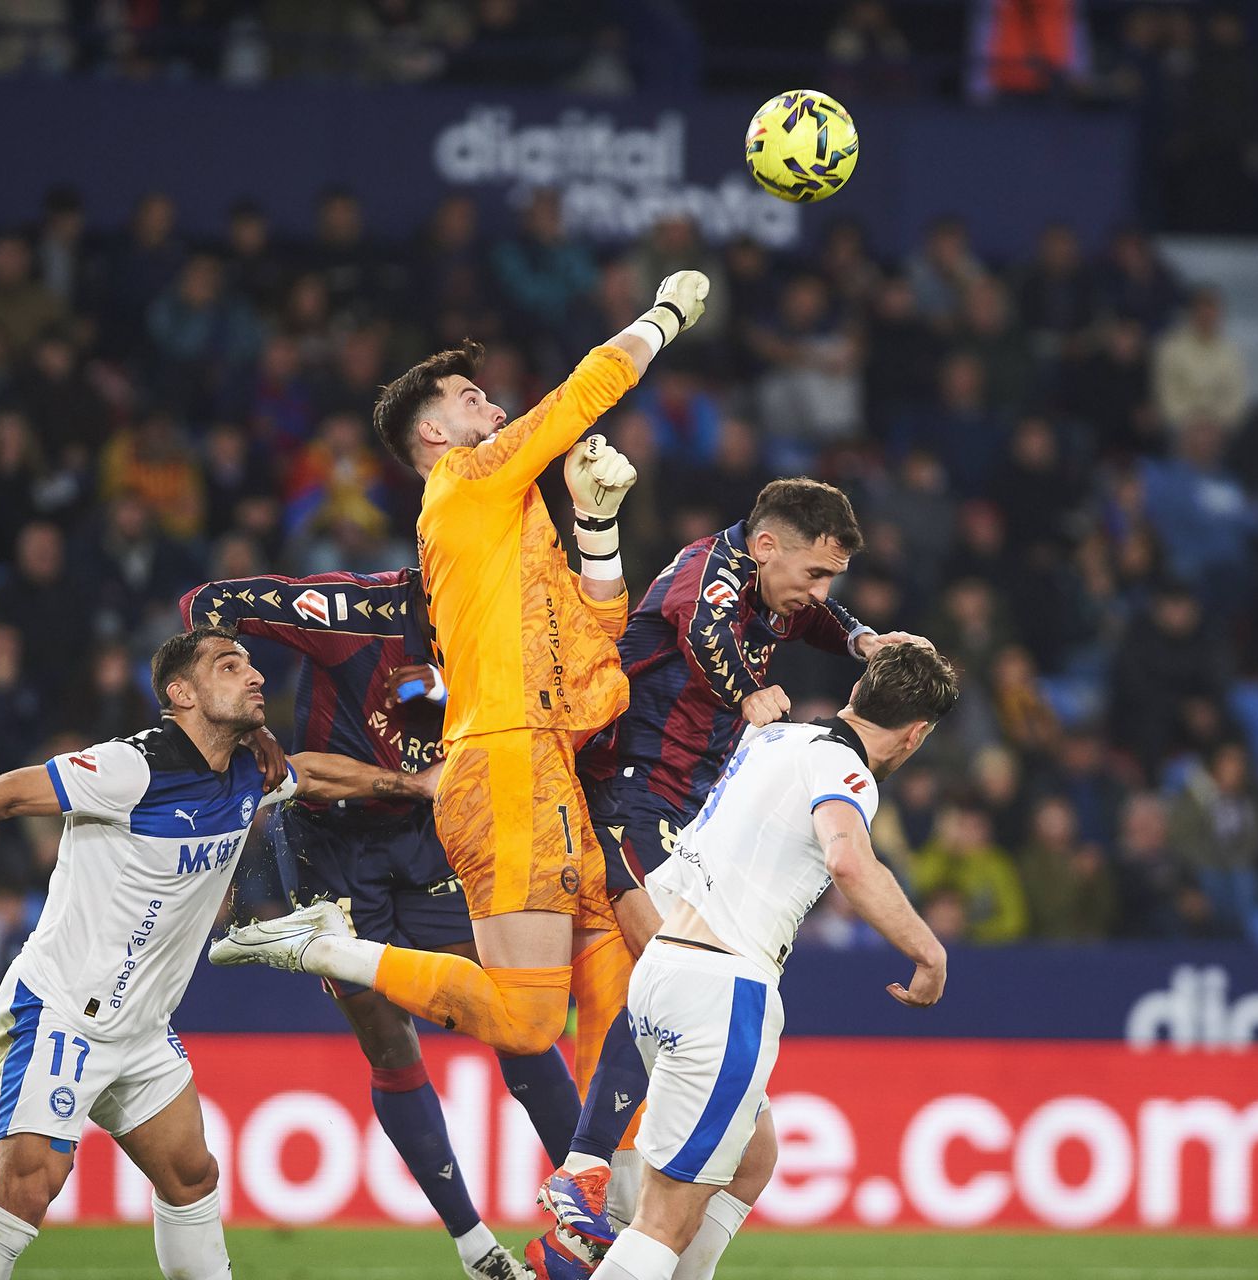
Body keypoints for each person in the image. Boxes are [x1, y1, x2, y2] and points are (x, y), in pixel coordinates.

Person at [213, 271, 710, 1096]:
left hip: (538, 760)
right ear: (437, 431)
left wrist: (596, 531)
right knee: (527, 1021)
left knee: (608, 971)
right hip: (509, 765)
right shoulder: (469, 480)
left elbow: (595, 644)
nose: (496, 406)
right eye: (474, 397)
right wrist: (661, 319)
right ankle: (316, 943)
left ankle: (593, 1193)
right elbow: (580, 395)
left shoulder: (505, 521)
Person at [0, 628, 424, 1280]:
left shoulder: (250, 772)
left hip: (141, 1034)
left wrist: (412, 785)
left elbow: (316, 774)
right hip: (62, 1013)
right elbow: (3, 791)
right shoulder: (133, 767)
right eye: (230, 666)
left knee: (193, 1176)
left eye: (252, 665)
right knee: (27, 1192)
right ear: (181, 694)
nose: (254, 676)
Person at [536, 479, 925, 1256]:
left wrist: (861, 642)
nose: (820, 593)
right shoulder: (705, 576)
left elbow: (811, 619)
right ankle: (584, 1178)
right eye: (816, 573)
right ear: (767, 545)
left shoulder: (772, 585)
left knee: (743, 1130)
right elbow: (709, 638)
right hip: (630, 788)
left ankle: (591, 1213)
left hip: (684, 803)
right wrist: (749, 691)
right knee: (668, 958)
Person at [181, 566, 579, 1280]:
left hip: (437, 838)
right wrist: (247, 723)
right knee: (387, 1041)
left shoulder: (512, 626)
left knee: (513, 1011)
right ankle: (475, 1248)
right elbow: (206, 602)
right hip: (332, 846)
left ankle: (592, 1205)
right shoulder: (348, 610)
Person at [584, 643, 959, 1280]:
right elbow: (847, 859)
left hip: (663, 971)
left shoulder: (773, 739)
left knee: (753, 1158)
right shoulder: (847, 771)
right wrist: (928, 950)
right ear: (917, 733)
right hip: (722, 988)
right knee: (664, 1219)